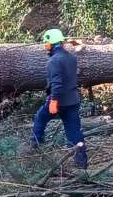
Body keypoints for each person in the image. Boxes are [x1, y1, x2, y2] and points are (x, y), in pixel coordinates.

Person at [33, 27, 88, 170]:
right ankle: (81, 161)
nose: (45, 45)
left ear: (51, 43)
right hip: (73, 100)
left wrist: (53, 101)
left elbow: (57, 84)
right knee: (74, 131)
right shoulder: (71, 57)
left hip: (59, 101)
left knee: (40, 118)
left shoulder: (54, 61)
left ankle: (34, 147)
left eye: (46, 43)